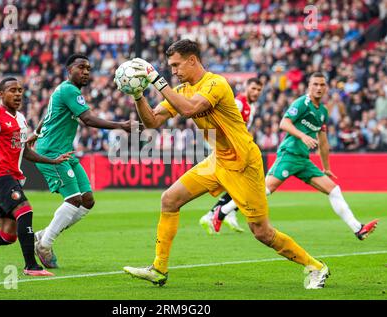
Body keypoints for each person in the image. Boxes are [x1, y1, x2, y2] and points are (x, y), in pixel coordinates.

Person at [122, 39, 329, 289]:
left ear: (192, 60)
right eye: (170, 67)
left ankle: (315, 266)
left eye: (176, 65)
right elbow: (153, 121)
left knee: (262, 232)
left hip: (244, 163)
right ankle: (158, 269)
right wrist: (138, 95)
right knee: (169, 199)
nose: (173, 71)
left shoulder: (215, 83)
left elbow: (189, 110)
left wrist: (157, 80)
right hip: (218, 160)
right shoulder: (181, 90)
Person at [0, 77, 73, 276]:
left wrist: (53, 161)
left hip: (11, 178)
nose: (18, 94)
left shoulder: (21, 119)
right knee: (25, 211)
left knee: (7, 235)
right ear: (1, 94)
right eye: (12, 90)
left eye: (20, 90)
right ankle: (31, 266)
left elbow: (24, 151)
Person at [28, 54, 136, 268]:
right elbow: (87, 119)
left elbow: (48, 115)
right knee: (74, 199)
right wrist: (120, 125)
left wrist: (35, 132)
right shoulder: (69, 90)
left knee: (87, 200)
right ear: (69, 70)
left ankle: (43, 235)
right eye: (81, 67)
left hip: (65, 151)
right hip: (52, 152)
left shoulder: (64, 90)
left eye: (88, 68)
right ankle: (45, 245)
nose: (86, 71)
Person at [262, 72, 378, 240]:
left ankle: (358, 229)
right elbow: (284, 123)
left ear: (326, 88)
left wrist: (327, 168)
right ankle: (222, 211)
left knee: (334, 190)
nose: (318, 88)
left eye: (322, 85)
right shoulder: (302, 103)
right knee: (265, 190)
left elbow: (323, 143)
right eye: (315, 84)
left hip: (303, 160)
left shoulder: (323, 111)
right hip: (289, 155)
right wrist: (302, 136)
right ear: (309, 86)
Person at [199, 77, 263, 234]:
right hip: (229, 149)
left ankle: (226, 213)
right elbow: (224, 122)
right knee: (244, 185)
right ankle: (219, 214)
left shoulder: (252, 106)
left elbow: (243, 128)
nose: (256, 92)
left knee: (240, 185)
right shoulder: (239, 102)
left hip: (239, 148)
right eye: (253, 88)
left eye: (259, 90)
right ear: (246, 87)